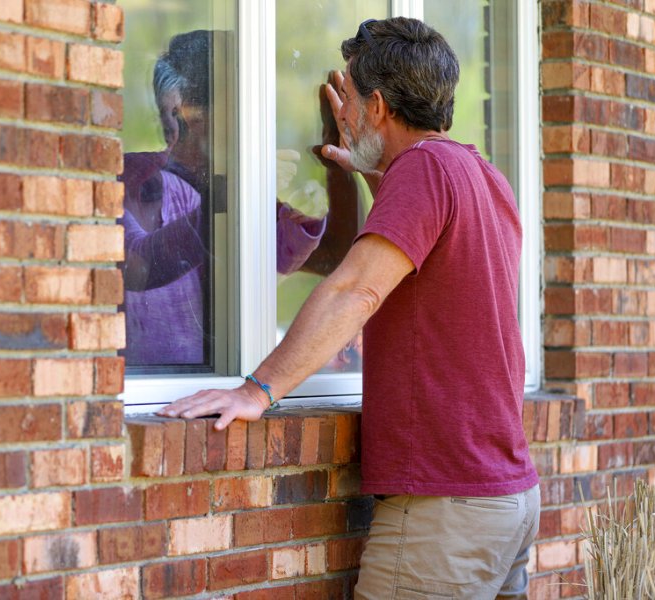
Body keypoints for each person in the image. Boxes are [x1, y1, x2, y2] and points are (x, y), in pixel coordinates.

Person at [159, 17, 539, 599]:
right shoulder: (482, 176)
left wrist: (256, 391)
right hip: (505, 500)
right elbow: (415, 265)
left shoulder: (423, 170)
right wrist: (365, 173)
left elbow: (356, 290)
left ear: (379, 105)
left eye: (353, 101)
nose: (348, 115)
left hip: (446, 512)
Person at [122, 30, 334, 367]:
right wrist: (231, 194)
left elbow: (273, 261)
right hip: (145, 385)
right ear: (183, 114)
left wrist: (304, 218)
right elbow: (138, 265)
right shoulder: (133, 177)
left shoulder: (223, 184)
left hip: (211, 383)